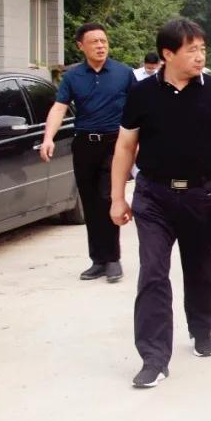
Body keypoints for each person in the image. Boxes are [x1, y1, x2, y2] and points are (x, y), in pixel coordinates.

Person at [108, 19, 211, 388]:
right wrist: (117, 196)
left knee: (201, 269)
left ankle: (202, 328)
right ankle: (154, 357)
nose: (200, 56)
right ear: (168, 54)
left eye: (202, 49)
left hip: (202, 194)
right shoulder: (142, 94)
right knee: (153, 273)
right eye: (192, 50)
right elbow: (125, 146)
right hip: (153, 196)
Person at [40, 23, 136, 283]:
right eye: (94, 42)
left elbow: (139, 107)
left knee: (107, 198)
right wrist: (48, 138)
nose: (101, 46)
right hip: (84, 144)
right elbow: (59, 108)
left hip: (115, 144)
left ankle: (113, 259)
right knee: (90, 202)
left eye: (104, 41)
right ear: (81, 46)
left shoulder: (124, 73)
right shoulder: (72, 77)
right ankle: (98, 260)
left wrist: (140, 142)